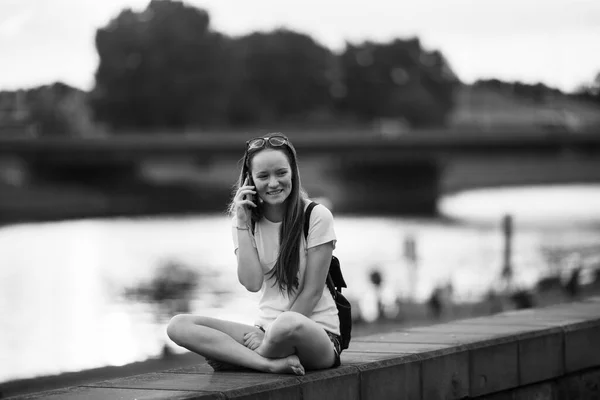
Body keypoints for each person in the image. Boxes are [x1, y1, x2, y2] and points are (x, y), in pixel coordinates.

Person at [166, 133, 341, 376]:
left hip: (315, 332)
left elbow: (311, 293)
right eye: (263, 176)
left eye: (281, 173)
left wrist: (269, 334)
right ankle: (268, 363)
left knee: (286, 324)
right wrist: (241, 223)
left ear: (293, 173)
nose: (273, 183)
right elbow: (251, 283)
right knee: (179, 326)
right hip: (263, 332)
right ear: (250, 180)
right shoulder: (245, 223)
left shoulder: (317, 216)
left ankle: (242, 357)